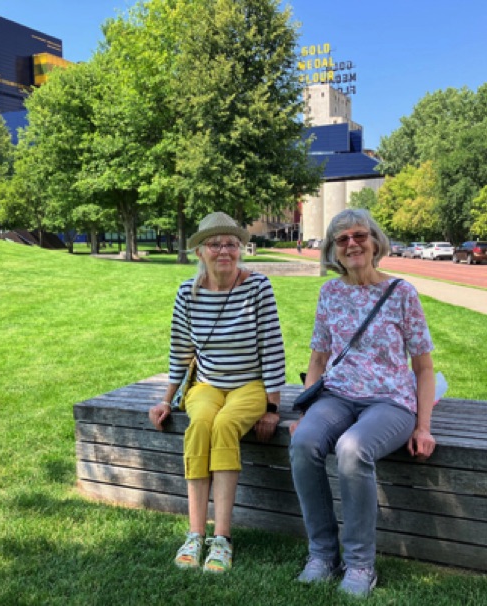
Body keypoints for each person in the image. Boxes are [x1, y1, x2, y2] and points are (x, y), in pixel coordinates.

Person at [289, 208, 436, 598]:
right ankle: (322, 555)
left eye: (359, 236)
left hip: (390, 402)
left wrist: (423, 426)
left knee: (352, 449)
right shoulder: (330, 293)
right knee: (303, 443)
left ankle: (359, 564)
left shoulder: (402, 293)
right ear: (334, 251)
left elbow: (423, 368)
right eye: (342, 239)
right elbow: (319, 358)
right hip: (337, 395)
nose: (352, 244)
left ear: (374, 242)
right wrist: (305, 413)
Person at [148, 211, 286, 574]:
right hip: (206, 384)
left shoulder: (258, 287)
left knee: (225, 425)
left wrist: (273, 406)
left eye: (231, 243)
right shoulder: (186, 292)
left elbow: (272, 347)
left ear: (240, 249)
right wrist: (166, 399)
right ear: (200, 252)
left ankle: (221, 538)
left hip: (250, 385)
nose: (224, 250)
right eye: (215, 244)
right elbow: (180, 350)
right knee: (201, 425)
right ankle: (195, 534)